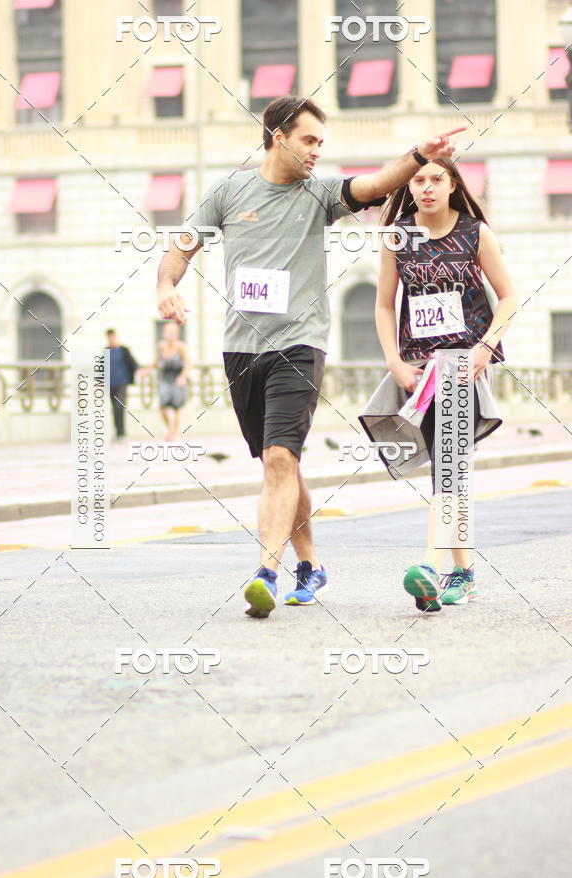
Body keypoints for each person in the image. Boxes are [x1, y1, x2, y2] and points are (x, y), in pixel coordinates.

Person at [156, 93, 465, 619]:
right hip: (241, 347)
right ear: (278, 136)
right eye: (309, 140)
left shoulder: (319, 195)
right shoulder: (229, 191)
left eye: (322, 142)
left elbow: (370, 187)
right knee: (282, 464)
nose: (318, 151)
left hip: (300, 345)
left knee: (280, 459)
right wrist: (166, 285)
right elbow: (183, 245)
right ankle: (310, 565)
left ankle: (265, 574)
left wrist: (417, 155)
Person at [359, 158, 517, 612]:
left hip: (461, 366)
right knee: (446, 473)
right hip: (418, 369)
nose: (426, 187)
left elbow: (508, 296)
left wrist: (485, 348)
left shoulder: (476, 234)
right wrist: (395, 361)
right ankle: (462, 574)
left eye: (436, 180)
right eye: (418, 180)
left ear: (452, 185)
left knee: (447, 469)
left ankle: (430, 566)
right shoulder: (397, 238)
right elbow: (384, 306)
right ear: (409, 187)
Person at [139, 322, 191, 441]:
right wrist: (145, 371)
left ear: (177, 334)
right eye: (168, 332)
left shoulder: (181, 347)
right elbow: (155, 361)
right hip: (165, 378)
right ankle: (170, 430)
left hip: (177, 378)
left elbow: (188, 363)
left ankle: (173, 433)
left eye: (173, 332)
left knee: (176, 407)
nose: (170, 335)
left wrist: (183, 376)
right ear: (164, 333)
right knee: (163, 406)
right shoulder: (161, 346)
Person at [105, 328, 139, 439]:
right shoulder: (106, 351)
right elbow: (100, 368)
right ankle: (118, 431)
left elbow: (132, 362)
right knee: (114, 407)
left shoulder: (124, 350)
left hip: (122, 382)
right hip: (110, 384)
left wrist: (139, 371)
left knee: (120, 406)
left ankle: (122, 432)